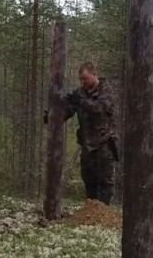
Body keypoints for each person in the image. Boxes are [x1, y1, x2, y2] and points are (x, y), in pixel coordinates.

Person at [45, 61, 119, 204]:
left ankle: (103, 211)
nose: (83, 82)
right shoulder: (80, 93)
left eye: (85, 78)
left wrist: (81, 101)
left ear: (94, 74)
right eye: (81, 79)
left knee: (105, 181)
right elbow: (68, 110)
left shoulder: (106, 90)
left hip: (104, 142)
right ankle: (90, 209)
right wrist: (53, 116)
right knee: (89, 179)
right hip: (87, 144)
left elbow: (98, 109)